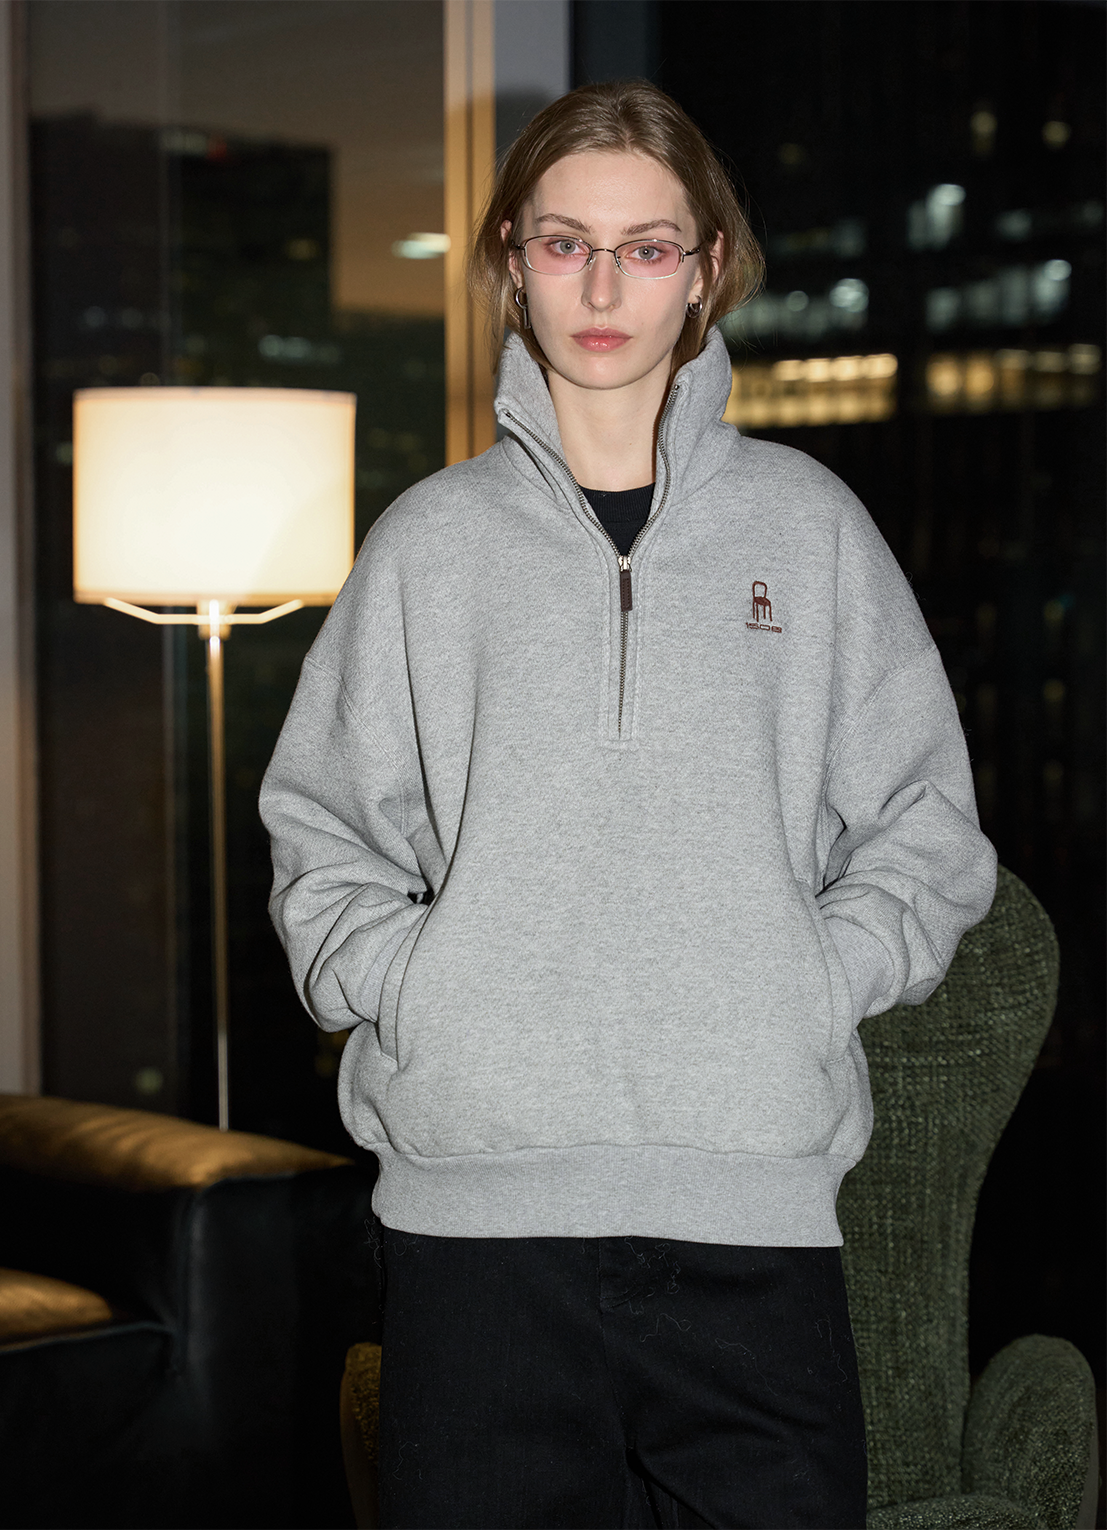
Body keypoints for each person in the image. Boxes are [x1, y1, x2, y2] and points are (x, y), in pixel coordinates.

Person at [260, 80, 997, 1530]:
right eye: (564, 243)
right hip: (474, 1234)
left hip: (753, 1229)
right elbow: (323, 835)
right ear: (510, 260)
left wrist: (806, 977)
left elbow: (927, 830)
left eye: (646, 248)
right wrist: (418, 985)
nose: (602, 289)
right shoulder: (427, 547)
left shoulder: (810, 529)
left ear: (706, 269)